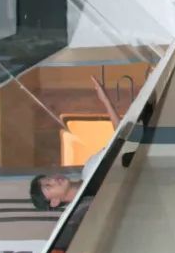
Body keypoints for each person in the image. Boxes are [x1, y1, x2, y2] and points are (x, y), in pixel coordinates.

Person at [30, 76, 121, 210]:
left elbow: (121, 140)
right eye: (48, 186)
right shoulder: (84, 210)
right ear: (54, 202)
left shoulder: (89, 167)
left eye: (49, 178)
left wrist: (106, 101)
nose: (54, 180)